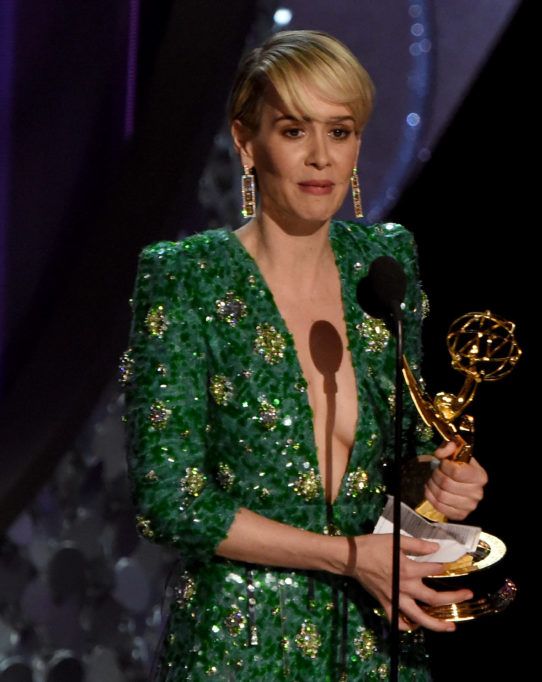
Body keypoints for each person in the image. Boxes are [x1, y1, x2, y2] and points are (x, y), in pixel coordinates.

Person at [119, 29, 488, 681]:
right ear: (246, 142)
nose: (321, 156)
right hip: (241, 646)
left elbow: (398, 455)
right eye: (294, 131)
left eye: (340, 131)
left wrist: (437, 482)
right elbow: (171, 502)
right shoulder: (187, 278)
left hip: (377, 643)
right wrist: (350, 555)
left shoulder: (383, 263)